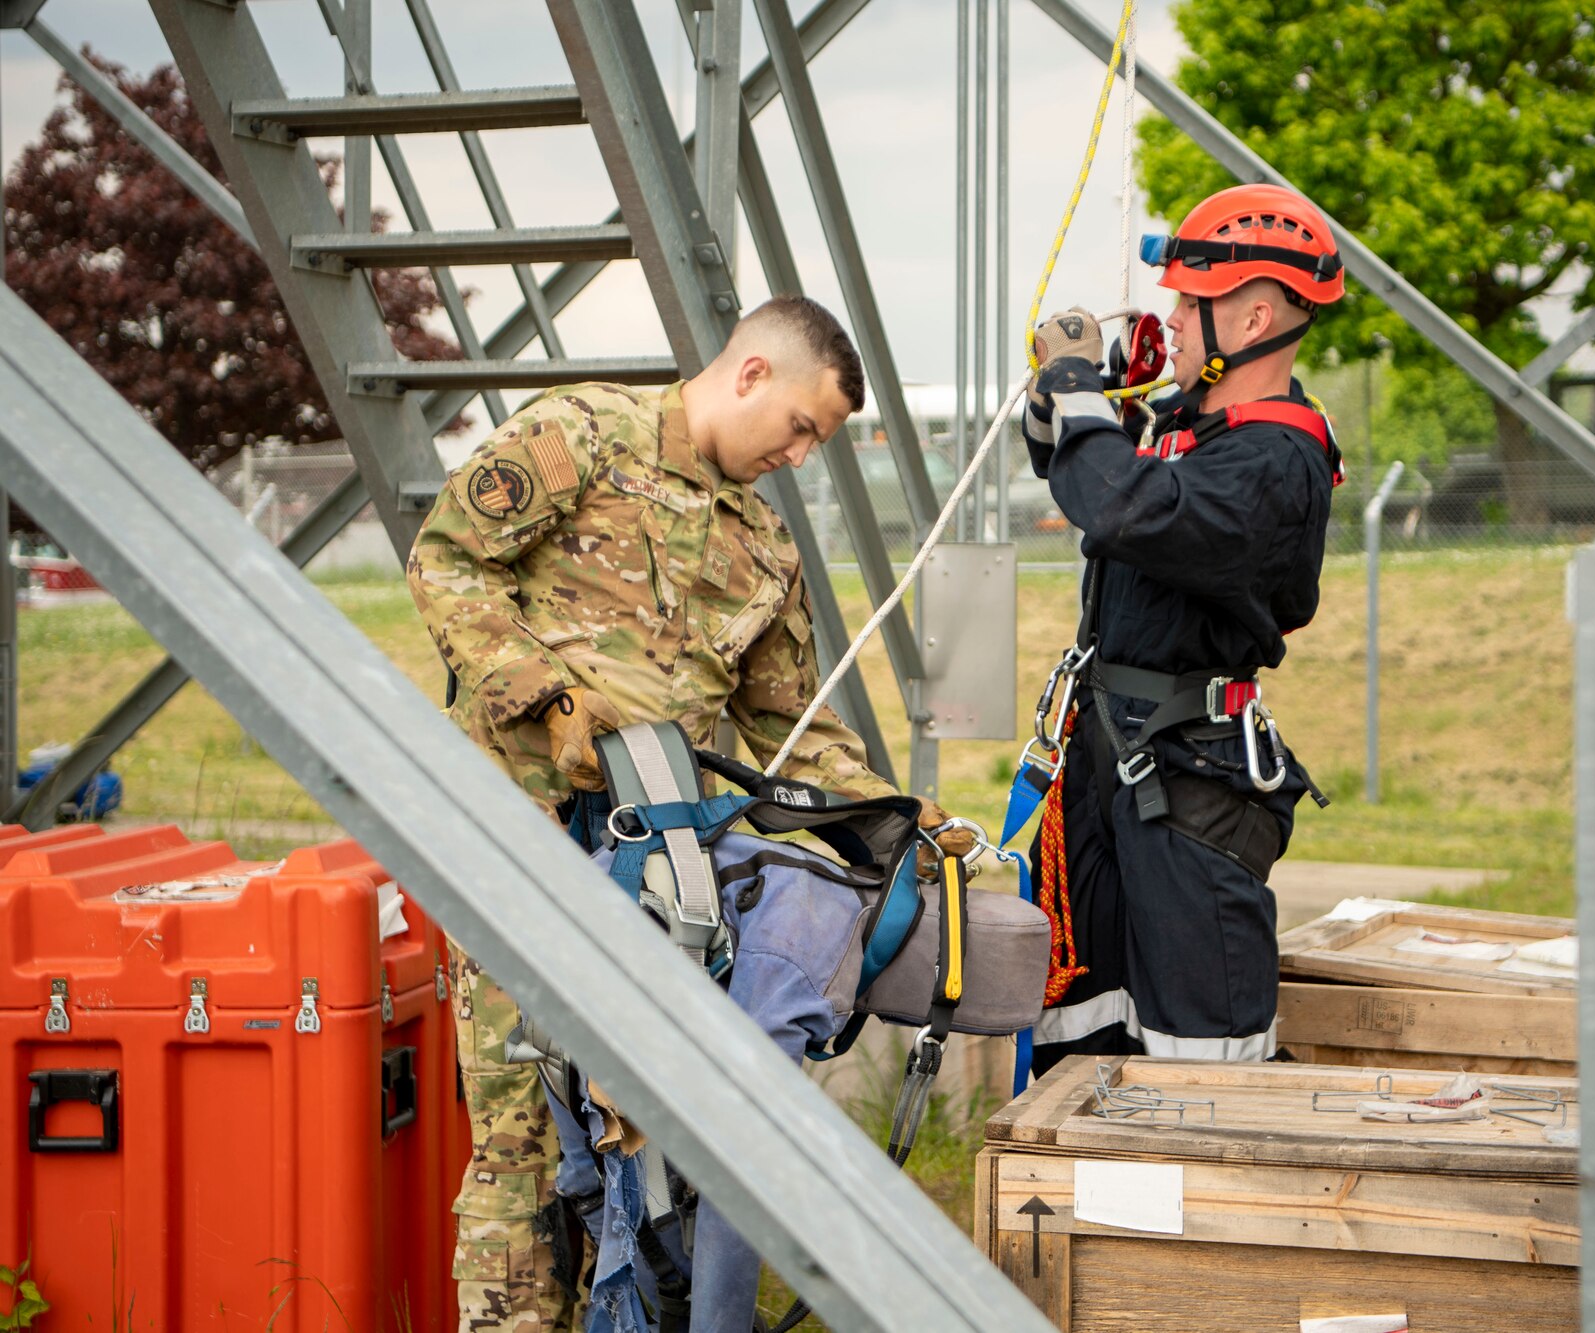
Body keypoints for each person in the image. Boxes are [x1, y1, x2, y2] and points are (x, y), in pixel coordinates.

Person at [407, 294, 965, 1332]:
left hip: (670, 887)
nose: (801, 456)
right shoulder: (577, 437)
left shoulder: (761, 545)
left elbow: (787, 716)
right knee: (526, 1131)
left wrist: (890, 816)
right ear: (750, 373)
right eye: (801, 426)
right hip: (520, 847)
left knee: (646, 1138)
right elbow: (445, 561)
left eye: (821, 442)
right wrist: (546, 691)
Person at [1021, 183, 1343, 1073]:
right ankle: (1087, 1197)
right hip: (1111, 765)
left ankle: (1203, 1203)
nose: (1171, 321)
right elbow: (1077, 467)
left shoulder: (1276, 458)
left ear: (1252, 318)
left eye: (1187, 304)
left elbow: (1125, 509)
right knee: (1083, 1022)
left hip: (1190, 783)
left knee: (1204, 1056)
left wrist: (1085, 393)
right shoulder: (1190, 430)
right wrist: (1069, 395)